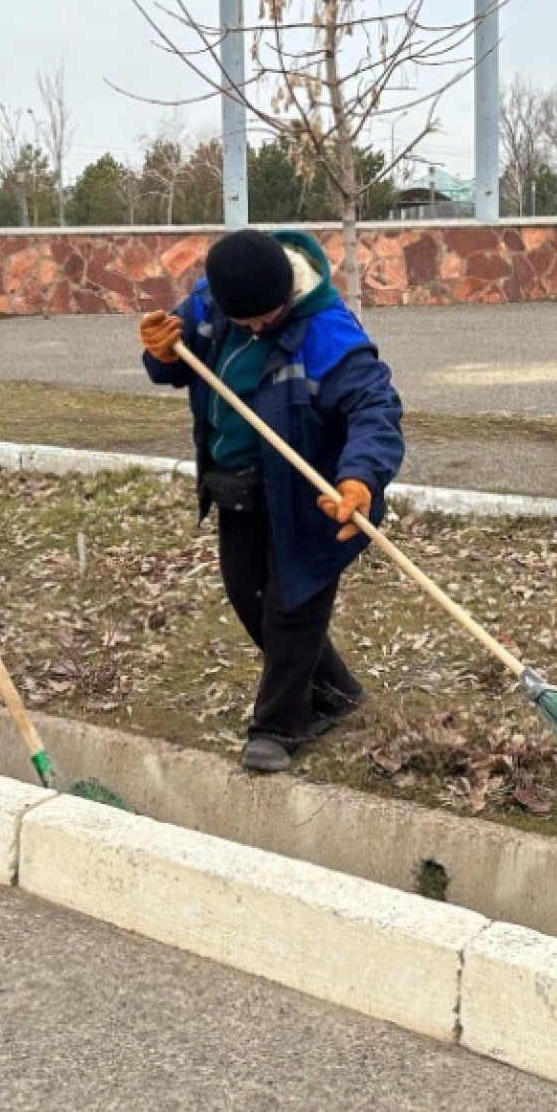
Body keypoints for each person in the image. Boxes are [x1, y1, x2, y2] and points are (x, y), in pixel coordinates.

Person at [139, 227, 404, 773]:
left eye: (267, 316)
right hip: (238, 485)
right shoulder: (214, 301)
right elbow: (176, 362)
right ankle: (339, 691)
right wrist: (160, 351)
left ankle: (280, 726)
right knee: (247, 596)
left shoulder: (330, 333)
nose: (257, 327)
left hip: (319, 498)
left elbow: (375, 410)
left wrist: (360, 478)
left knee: (293, 607)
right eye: (246, 321)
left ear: (286, 292)